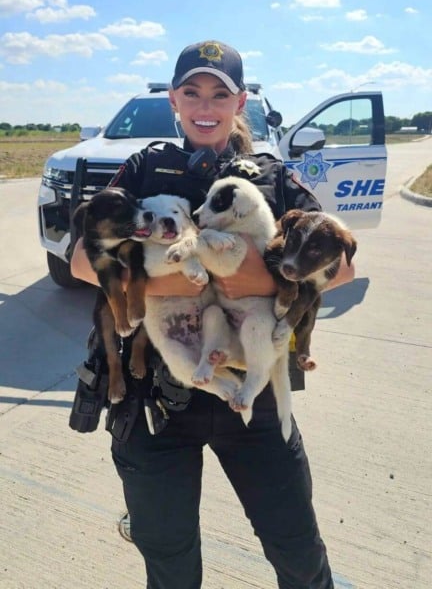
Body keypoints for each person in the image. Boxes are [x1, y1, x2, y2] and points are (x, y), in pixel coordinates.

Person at [71, 40, 354, 589]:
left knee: (298, 554)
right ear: (175, 100)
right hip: (154, 397)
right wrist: (203, 273)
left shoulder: (270, 177)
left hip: (253, 395)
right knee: (170, 565)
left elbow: (338, 264)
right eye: (193, 92)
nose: (206, 104)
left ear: (239, 101)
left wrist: (187, 272)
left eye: (219, 94)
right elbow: (84, 259)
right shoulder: (143, 167)